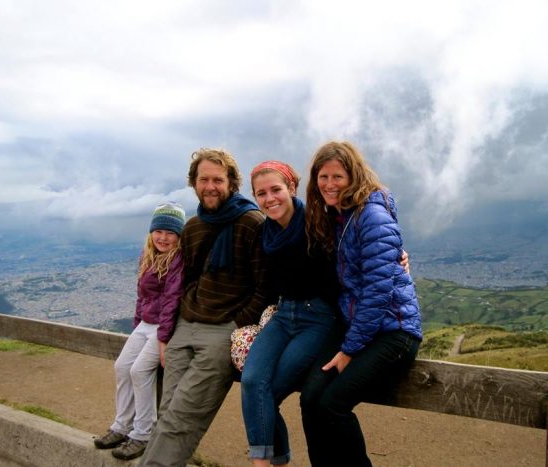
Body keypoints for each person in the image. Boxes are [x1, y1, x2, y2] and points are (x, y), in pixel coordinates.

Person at [138, 148, 269, 467]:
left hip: (223, 330)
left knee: (184, 414)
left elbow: (264, 286)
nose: (210, 186)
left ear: (231, 183)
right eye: (203, 179)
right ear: (194, 183)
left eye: (217, 180)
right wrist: (174, 327)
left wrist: (237, 323)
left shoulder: (252, 222)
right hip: (187, 325)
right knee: (167, 410)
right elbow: (186, 279)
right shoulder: (194, 227)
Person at [300, 141, 422, 467]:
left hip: (394, 332)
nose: (329, 184)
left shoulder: (372, 215)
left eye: (337, 176)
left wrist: (349, 350)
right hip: (358, 327)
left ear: (353, 176)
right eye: (323, 177)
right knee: (310, 399)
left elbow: (379, 294)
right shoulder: (336, 216)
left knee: (332, 405)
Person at [240, 161, 339, 466]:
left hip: (319, 318)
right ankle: (273, 460)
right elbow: (264, 280)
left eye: (275, 190)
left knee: (268, 391)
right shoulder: (265, 231)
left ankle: (268, 462)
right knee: (251, 381)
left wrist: (398, 256)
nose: (269, 199)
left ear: (292, 188)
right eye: (261, 193)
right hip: (284, 314)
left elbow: (357, 250)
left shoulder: (318, 221)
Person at [93, 201, 186, 461]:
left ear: (178, 236)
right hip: (145, 324)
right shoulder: (147, 255)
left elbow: (172, 300)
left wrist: (164, 338)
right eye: (159, 231)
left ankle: (143, 433)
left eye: (170, 233)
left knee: (140, 370)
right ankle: (121, 426)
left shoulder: (177, 260)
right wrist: (137, 325)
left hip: (162, 327)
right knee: (122, 367)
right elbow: (141, 295)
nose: (163, 238)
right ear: (151, 232)